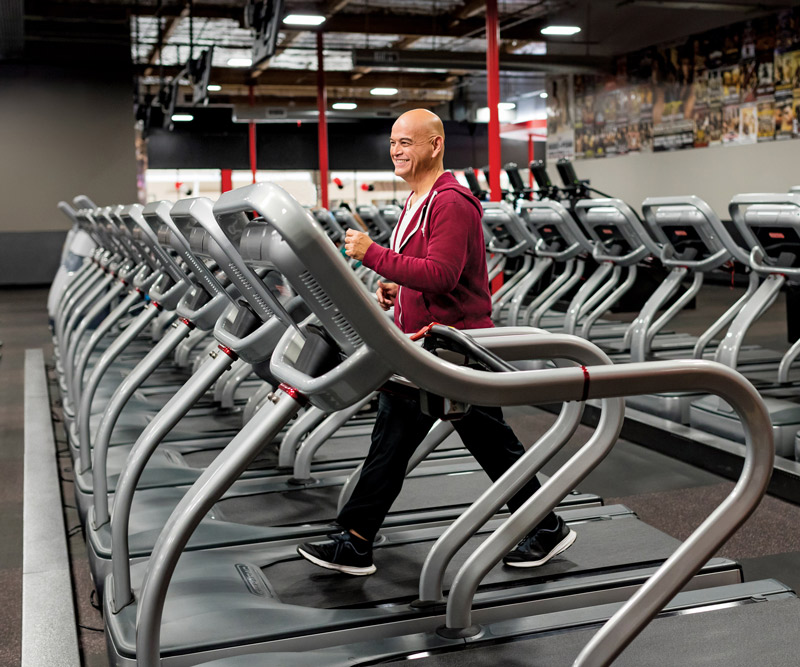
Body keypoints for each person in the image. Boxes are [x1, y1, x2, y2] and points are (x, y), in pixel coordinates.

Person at [297, 109, 576, 576]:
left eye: (406, 141)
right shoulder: (415, 200)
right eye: (392, 142)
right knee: (394, 438)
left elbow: (443, 276)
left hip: (454, 347)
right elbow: (423, 270)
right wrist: (397, 287)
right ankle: (357, 540)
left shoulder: (451, 201)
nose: (396, 149)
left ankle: (544, 525)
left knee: (486, 443)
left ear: (435, 145)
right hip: (420, 347)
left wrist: (375, 256)